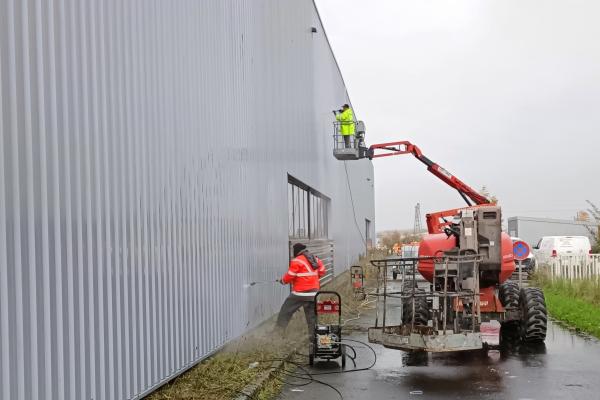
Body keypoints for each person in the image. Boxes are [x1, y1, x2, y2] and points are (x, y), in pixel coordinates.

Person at [275, 243, 326, 336]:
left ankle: (277, 334)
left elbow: (290, 276)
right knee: (312, 318)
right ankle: (313, 339)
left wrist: (282, 281)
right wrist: (313, 279)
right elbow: (322, 270)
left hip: (299, 294)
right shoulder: (315, 259)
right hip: (314, 294)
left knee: (285, 311)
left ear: (296, 251)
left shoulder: (296, 261)